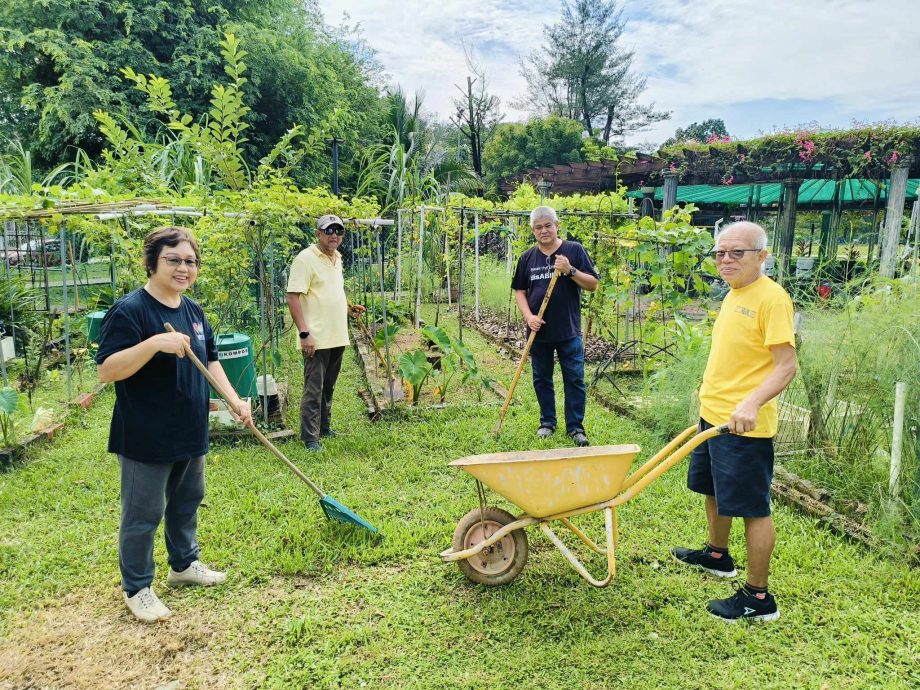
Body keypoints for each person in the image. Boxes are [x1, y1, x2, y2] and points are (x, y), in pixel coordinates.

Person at [96, 226, 253, 624]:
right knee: (143, 514)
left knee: (186, 503)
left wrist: (234, 400)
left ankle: (183, 565)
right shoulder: (130, 310)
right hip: (146, 434)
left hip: (190, 428)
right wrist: (153, 345)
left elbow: (212, 360)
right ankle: (137, 588)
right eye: (174, 260)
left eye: (190, 261)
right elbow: (107, 370)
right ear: (152, 263)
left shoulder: (194, 311)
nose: (183, 268)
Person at [671, 221, 797, 623]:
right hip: (714, 414)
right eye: (721, 253)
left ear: (762, 256)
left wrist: (751, 403)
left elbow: (786, 366)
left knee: (753, 508)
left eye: (736, 252)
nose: (725, 259)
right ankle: (716, 554)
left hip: (744, 426)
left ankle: (758, 598)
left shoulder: (771, 299)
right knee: (713, 489)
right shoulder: (734, 292)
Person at [511, 206, 599, 446]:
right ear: (533, 230)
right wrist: (529, 316)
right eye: (538, 227)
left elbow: (592, 284)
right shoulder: (527, 258)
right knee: (542, 378)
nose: (544, 231)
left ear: (557, 225)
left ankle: (575, 427)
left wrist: (569, 270)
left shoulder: (573, 251)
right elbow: (520, 290)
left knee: (574, 379)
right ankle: (547, 422)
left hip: (568, 330)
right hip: (538, 332)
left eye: (548, 225)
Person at [286, 214, 363, 452]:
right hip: (316, 338)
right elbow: (292, 296)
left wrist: (348, 307)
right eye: (328, 231)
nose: (334, 235)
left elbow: (331, 291)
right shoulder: (305, 259)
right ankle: (310, 438)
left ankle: (324, 428)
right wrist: (304, 333)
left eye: (338, 231)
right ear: (318, 233)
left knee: (328, 386)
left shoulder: (336, 258)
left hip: (337, 335)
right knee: (314, 388)